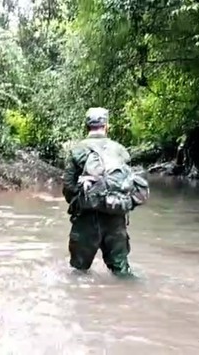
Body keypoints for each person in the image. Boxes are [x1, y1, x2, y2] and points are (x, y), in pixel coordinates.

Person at [62, 107, 148, 277]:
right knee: (122, 271)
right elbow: (126, 183)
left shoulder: (77, 150)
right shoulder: (120, 150)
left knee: (78, 273)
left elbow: (68, 187)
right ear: (106, 126)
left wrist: (84, 201)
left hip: (86, 217)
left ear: (86, 126)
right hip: (115, 216)